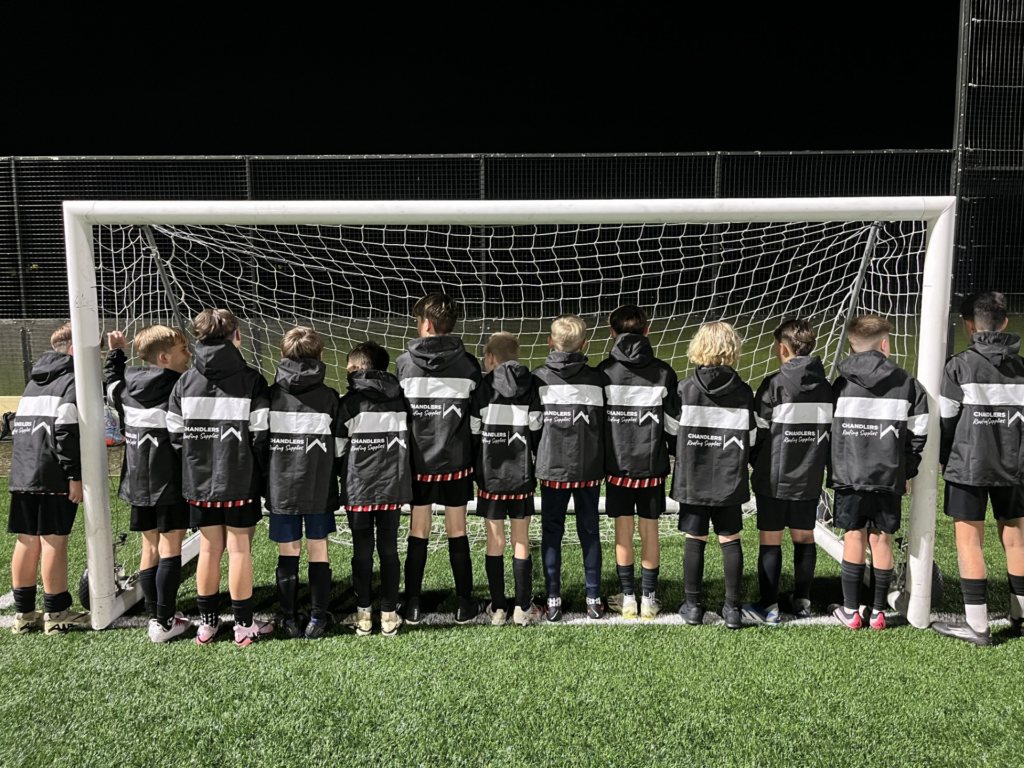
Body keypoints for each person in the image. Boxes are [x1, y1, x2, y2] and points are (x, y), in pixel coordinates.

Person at [167, 309, 274, 647]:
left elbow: (174, 434)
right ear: (236, 336)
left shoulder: (184, 381)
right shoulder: (253, 380)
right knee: (239, 549)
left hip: (199, 483)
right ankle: (243, 626)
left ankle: (208, 625)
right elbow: (261, 436)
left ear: (197, 339)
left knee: (210, 550)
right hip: (240, 481)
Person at [933, 292, 1024, 645]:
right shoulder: (1021, 368)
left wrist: (945, 458)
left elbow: (947, 420)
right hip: (1014, 467)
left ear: (969, 326)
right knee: (1015, 539)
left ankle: (977, 625)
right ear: (1004, 323)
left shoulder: (959, 365)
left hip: (968, 466)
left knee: (969, 541)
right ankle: (1020, 618)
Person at [827, 314, 927, 631]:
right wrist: (907, 470)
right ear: (885, 344)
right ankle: (879, 612)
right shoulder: (908, 384)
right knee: (882, 540)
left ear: (853, 348)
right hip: (888, 476)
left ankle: (852, 611)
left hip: (849, 474)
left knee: (854, 536)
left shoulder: (840, 384)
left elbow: (828, 431)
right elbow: (919, 433)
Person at [396, 294, 483, 624]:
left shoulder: (404, 363)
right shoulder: (469, 365)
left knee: (418, 529)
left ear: (426, 325)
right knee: (457, 529)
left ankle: (413, 603)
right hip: (457, 463)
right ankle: (464, 604)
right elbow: (475, 420)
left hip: (418, 464)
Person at [105, 326, 192, 642]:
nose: (190, 355)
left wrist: (116, 353)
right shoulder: (180, 388)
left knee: (150, 546)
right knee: (170, 549)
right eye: (184, 351)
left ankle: (156, 615)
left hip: (137, 484)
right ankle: (164, 622)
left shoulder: (126, 388)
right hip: (169, 483)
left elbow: (111, 382)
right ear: (166, 357)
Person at [743, 319, 833, 624]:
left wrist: (757, 461)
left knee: (770, 539)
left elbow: (757, 434)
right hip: (808, 477)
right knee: (804, 538)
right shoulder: (827, 388)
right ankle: (802, 600)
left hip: (773, 477)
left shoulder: (773, 385)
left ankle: (768, 605)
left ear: (783, 348)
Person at [597, 306, 679, 620]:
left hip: (617, 468)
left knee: (623, 531)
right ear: (647, 332)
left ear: (611, 333)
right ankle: (650, 599)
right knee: (650, 531)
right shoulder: (664, 372)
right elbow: (672, 426)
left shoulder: (603, 372)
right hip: (651, 467)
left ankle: (628, 599)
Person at [8, 322, 90, 635]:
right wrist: (73, 475)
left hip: (23, 472)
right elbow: (65, 431)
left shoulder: (35, 381)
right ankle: (57, 613)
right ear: (74, 349)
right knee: (53, 540)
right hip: (51, 473)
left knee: (27, 541)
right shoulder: (71, 381)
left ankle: (25, 615)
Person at [671, 322, 754, 630]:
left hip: (693, 477)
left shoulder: (684, 388)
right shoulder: (744, 391)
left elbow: (670, 430)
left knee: (696, 538)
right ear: (732, 350)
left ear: (698, 348)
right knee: (730, 539)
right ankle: (733, 609)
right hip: (729, 479)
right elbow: (753, 436)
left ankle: (693, 607)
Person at [266, 326, 341, 640]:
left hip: (281, 488)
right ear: (321, 357)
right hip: (318, 487)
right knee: (318, 550)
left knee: (288, 552)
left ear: (282, 356)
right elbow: (339, 448)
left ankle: (289, 619)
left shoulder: (270, 396)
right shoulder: (330, 397)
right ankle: (317, 620)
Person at [533, 314, 608, 621]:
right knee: (589, 531)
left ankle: (553, 600)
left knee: (552, 531)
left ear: (551, 342)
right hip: (589, 468)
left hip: (552, 468)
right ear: (585, 344)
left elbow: (534, 425)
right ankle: (593, 598)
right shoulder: (596, 378)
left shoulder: (537, 377)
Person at [470, 332, 545, 626]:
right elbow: (537, 426)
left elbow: (474, 430)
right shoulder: (532, 385)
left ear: (490, 359)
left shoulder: (483, 387)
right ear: (516, 356)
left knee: (495, 540)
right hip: (521, 476)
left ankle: (499, 608)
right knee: (521, 539)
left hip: (490, 477)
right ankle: (523, 608)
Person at [338, 341, 411, 637]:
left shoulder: (348, 403)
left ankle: (364, 616)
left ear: (358, 369)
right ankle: (390, 615)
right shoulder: (400, 399)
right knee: (389, 550)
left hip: (359, 489)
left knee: (362, 552)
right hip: (392, 487)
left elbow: (338, 450)